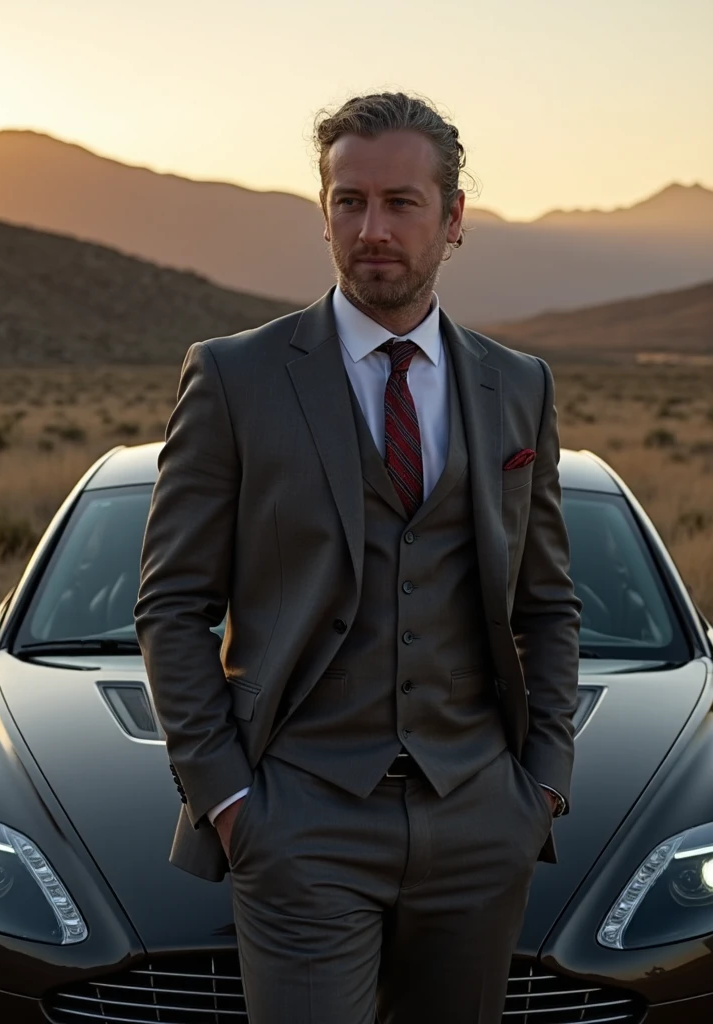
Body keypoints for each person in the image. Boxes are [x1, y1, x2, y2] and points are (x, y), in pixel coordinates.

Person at [134, 91, 582, 1024]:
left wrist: (538, 785)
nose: (371, 229)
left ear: (453, 219)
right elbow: (171, 606)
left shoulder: (517, 385)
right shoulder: (235, 377)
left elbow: (547, 603)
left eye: (400, 203)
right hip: (300, 819)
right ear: (325, 210)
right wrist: (229, 801)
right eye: (349, 201)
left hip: (478, 818)